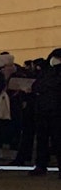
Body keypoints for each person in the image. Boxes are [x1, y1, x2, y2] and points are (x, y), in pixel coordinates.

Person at [29, 48, 61, 178]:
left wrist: (43, 87)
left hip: (57, 111)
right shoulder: (46, 70)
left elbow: (45, 85)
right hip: (43, 110)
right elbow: (36, 86)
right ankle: (41, 165)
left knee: (58, 140)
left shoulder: (53, 72)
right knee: (42, 140)